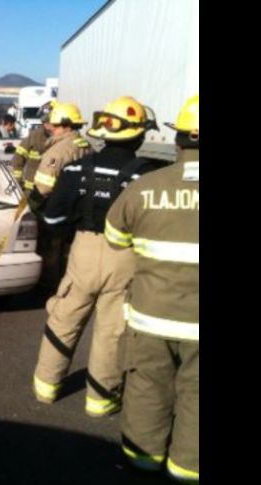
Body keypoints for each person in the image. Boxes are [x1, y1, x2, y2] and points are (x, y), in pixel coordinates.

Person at [32, 96, 162, 417]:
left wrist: (74, 234)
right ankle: (101, 401)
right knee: (112, 331)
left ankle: (46, 387)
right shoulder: (148, 176)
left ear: (102, 132)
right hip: (127, 257)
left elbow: (53, 219)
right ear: (141, 135)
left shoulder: (76, 169)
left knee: (64, 319)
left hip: (84, 251)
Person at [105, 94, 199, 483]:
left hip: (151, 316)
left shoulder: (145, 186)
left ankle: (143, 463)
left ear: (178, 141)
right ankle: (188, 469)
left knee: (146, 388)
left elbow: (115, 237)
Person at [28, 101, 93, 293]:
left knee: (50, 248)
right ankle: (68, 285)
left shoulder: (58, 151)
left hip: (55, 210)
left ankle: (48, 288)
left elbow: (44, 187)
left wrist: (29, 206)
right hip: (78, 210)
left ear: (66, 126)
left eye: (55, 126)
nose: (51, 130)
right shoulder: (86, 146)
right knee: (69, 251)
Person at [11, 101, 54, 190]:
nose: (47, 124)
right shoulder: (35, 136)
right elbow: (18, 158)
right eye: (45, 121)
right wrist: (18, 181)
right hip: (32, 190)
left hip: (54, 191)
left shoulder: (63, 138)